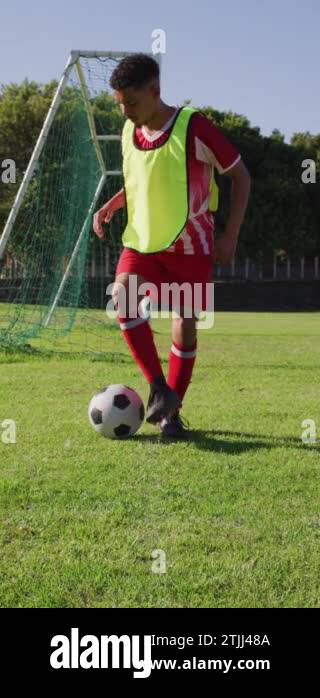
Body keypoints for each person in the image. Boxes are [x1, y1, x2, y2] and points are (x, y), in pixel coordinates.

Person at [93, 53, 250, 437]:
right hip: (144, 240)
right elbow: (139, 180)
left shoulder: (193, 127)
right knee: (124, 294)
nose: (126, 111)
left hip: (191, 246)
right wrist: (114, 203)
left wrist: (229, 235)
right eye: (121, 104)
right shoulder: (131, 131)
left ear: (155, 90)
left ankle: (170, 416)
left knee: (184, 326)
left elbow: (242, 177)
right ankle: (158, 386)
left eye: (132, 102)